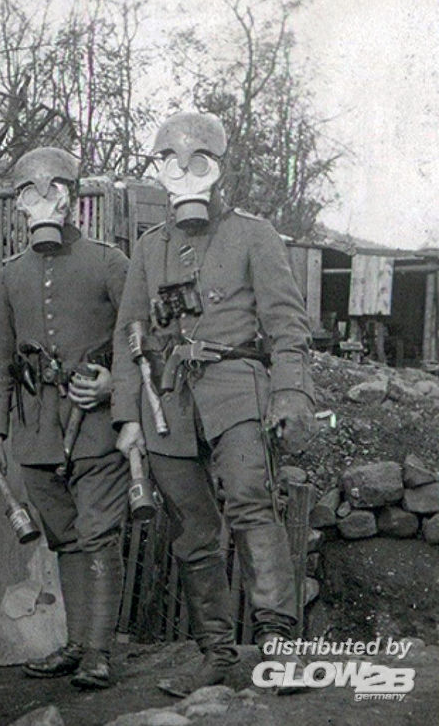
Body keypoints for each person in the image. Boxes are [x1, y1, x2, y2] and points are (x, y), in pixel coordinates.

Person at [109, 111, 315, 697]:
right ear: (158, 172)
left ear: (218, 169)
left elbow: (287, 323)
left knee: (252, 506)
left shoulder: (254, 234)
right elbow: (129, 333)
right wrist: (127, 416)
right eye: (171, 165)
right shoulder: (149, 247)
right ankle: (215, 653)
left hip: (237, 388)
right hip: (167, 401)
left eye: (197, 163)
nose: (184, 175)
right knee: (193, 530)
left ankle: (279, 646)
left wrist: (290, 391)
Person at [0, 147, 130, 689]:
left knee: (98, 533)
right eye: (29, 191)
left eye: (54, 190)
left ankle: (99, 653)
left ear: (73, 198)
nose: (42, 201)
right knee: (65, 538)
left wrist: (114, 387)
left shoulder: (110, 263)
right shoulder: (9, 276)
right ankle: (77, 644)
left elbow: (141, 342)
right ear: (18, 204)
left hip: (96, 426)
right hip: (36, 429)